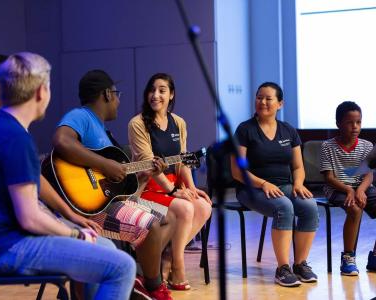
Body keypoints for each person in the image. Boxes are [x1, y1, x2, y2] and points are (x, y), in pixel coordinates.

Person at [0, 52, 135, 300]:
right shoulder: (15, 138)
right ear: (41, 92)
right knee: (122, 267)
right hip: (4, 246)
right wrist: (74, 233)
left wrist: (70, 220)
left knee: (102, 247)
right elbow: (30, 218)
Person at [52, 69, 174, 300]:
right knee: (151, 225)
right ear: (107, 94)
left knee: (168, 217)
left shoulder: (103, 131)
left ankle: (137, 274)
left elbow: (116, 184)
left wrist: (144, 176)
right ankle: (152, 286)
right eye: (117, 95)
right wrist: (105, 165)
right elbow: (60, 140)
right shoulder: (81, 116)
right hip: (88, 208)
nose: (118, 101)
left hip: (107, 200)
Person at [128, 73, 212, 290]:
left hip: (173, 187)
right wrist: (174, 191)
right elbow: (149, 165)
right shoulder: (137, 123)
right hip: (147, 190)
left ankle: (167, 258)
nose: (156, 95)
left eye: (162, 90)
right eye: (152, 90)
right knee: (185, 208)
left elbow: (183, 160)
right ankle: (178, 265)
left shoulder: (179, 123)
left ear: (171, 94)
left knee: (203, 206)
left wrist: (192, 188)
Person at [230, 82, 319, 287]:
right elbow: (237, 171)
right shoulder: (245, 130)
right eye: (259, 97)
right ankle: (282, 268)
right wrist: (263, 184)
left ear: (280, 104)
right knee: (284, 206)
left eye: (268, 98)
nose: (262, 102)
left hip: (284, 186)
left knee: (309, 206)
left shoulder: (288, 131)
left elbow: (298, 166)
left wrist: (298, 183)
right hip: (251, 189)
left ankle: (300, 264)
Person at [320, 101, 376, 276]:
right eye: (350, 122)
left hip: (362, 187)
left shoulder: (366, 146)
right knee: (354, 208)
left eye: (358, 122)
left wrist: (359, 190)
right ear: (338, 124)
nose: (355, 126)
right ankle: (348, 258)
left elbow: (369, 174)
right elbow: (328, 177)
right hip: (336, 188)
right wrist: (349, 190)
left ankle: (375, 256)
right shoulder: (327, 146)